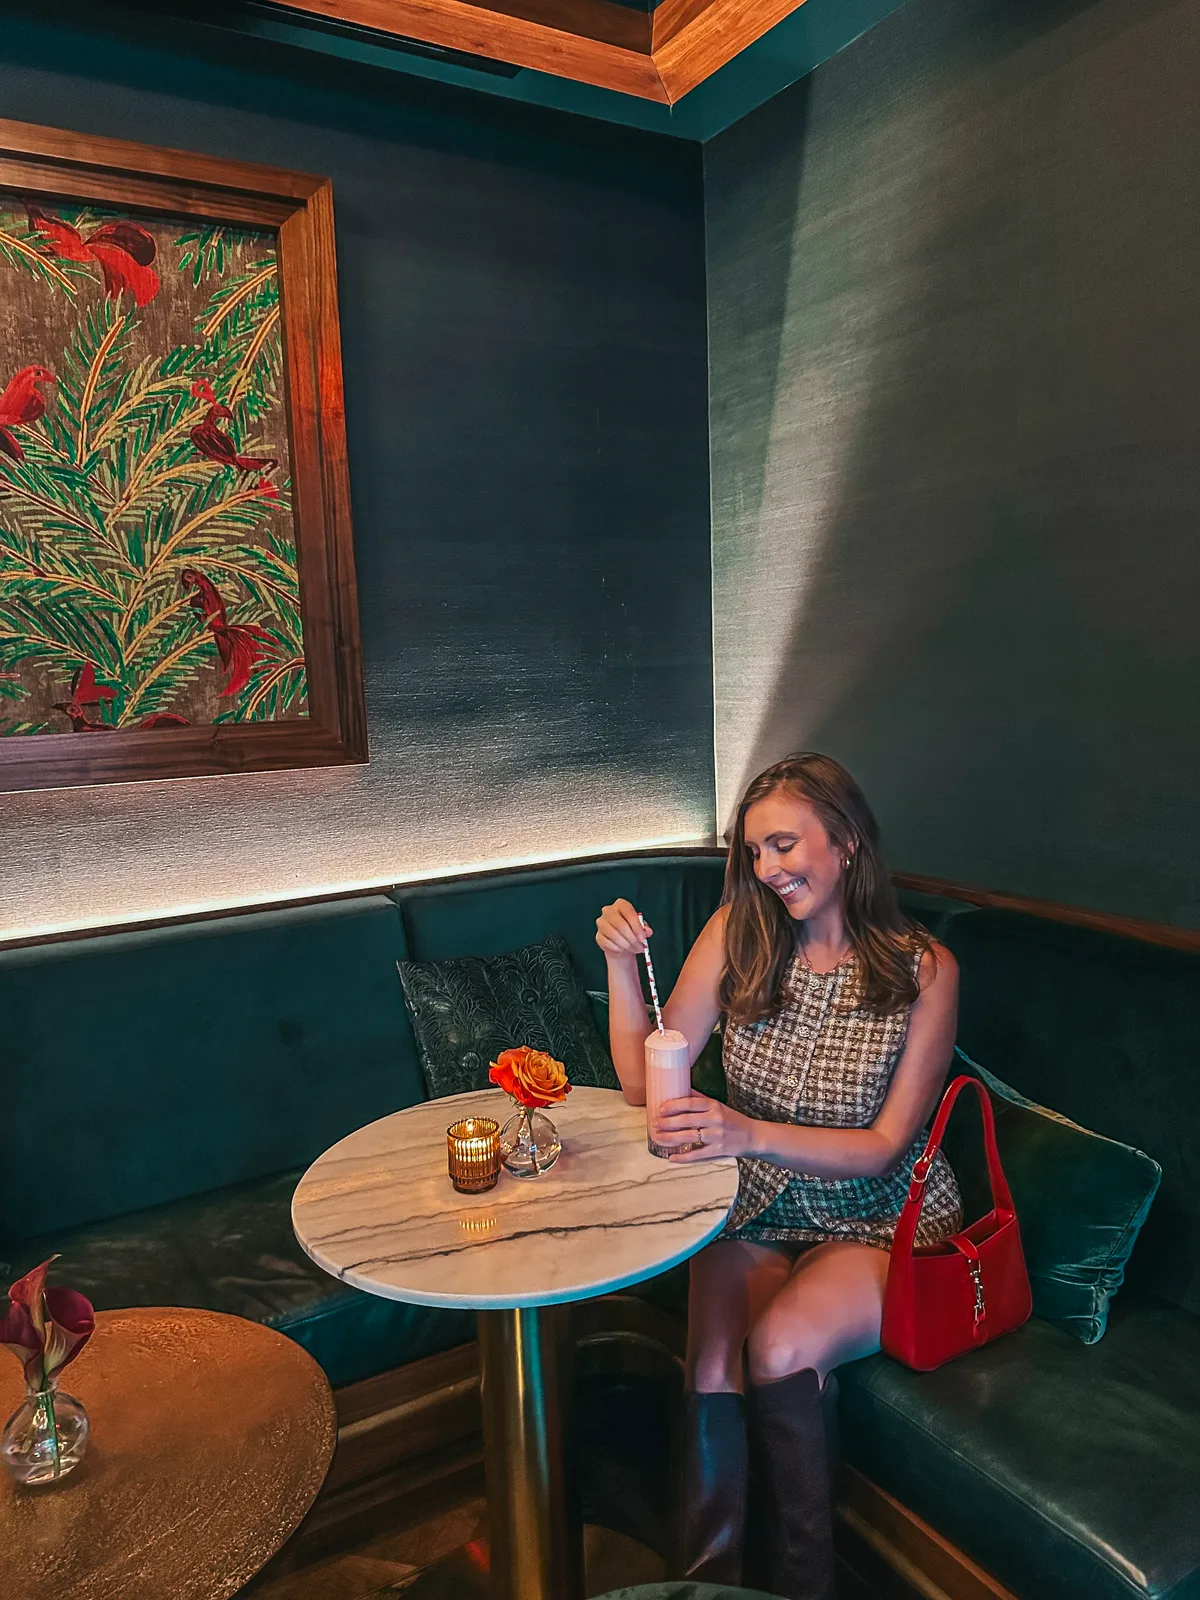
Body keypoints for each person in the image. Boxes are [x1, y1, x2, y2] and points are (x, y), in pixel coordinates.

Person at [595, 752, 962, 1600]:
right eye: (754, 852)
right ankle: (704, 1584)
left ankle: (806, 1585)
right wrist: (620, 967)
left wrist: (746, 1129)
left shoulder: (925, 972)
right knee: (713, 1366)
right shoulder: (738, 933)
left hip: (877, 1212)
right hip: (758, 1199)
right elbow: (645, 1081)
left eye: (785, 845)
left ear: (848, 842)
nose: (767, 870)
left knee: (782, 1347)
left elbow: (882, 1145)